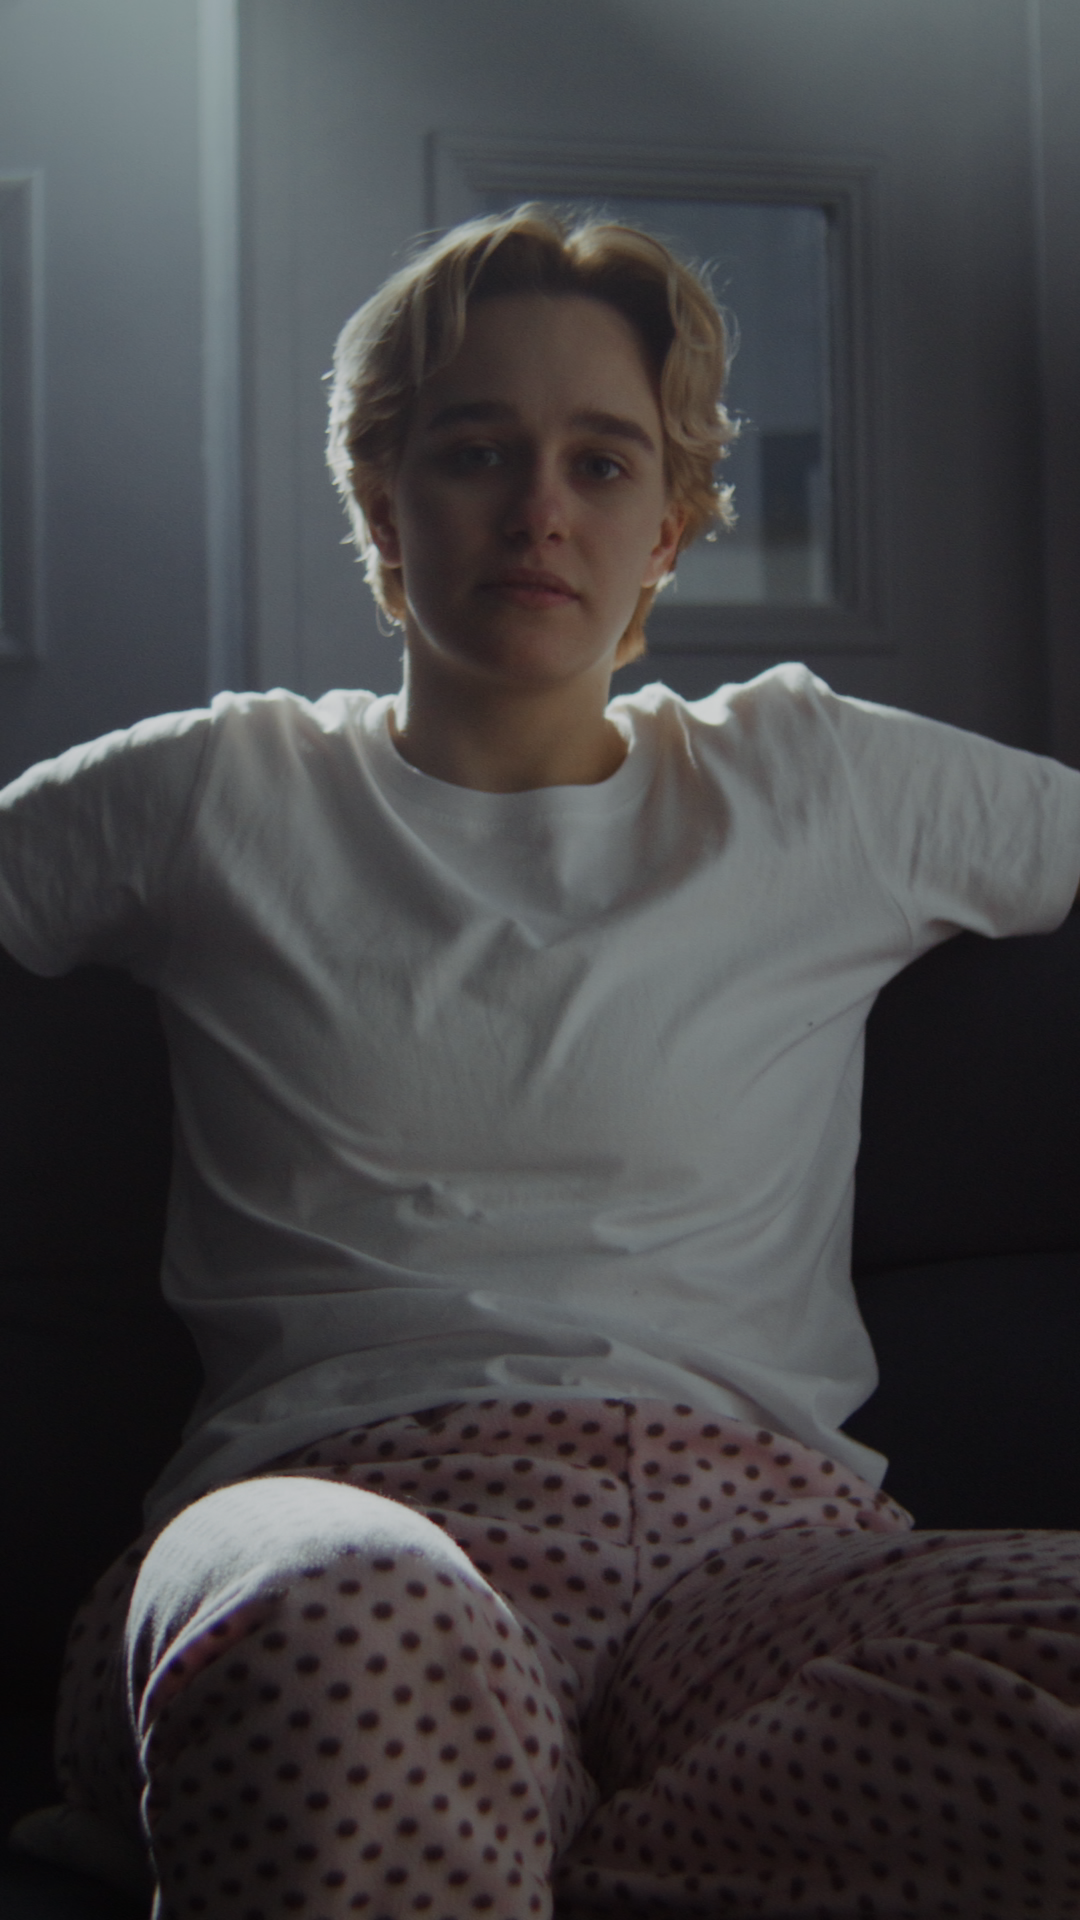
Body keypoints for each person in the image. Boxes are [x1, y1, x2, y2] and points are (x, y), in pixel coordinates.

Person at [3, 204, 1080, 1920]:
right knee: (342, 1634)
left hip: (760, 1567)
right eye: (474, 452)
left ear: (670, 526)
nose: (538, 511)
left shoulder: (815, 781)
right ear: (382, 498)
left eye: (601, 461)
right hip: (349, 1522)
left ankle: (508, 1835)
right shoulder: (222, 792)